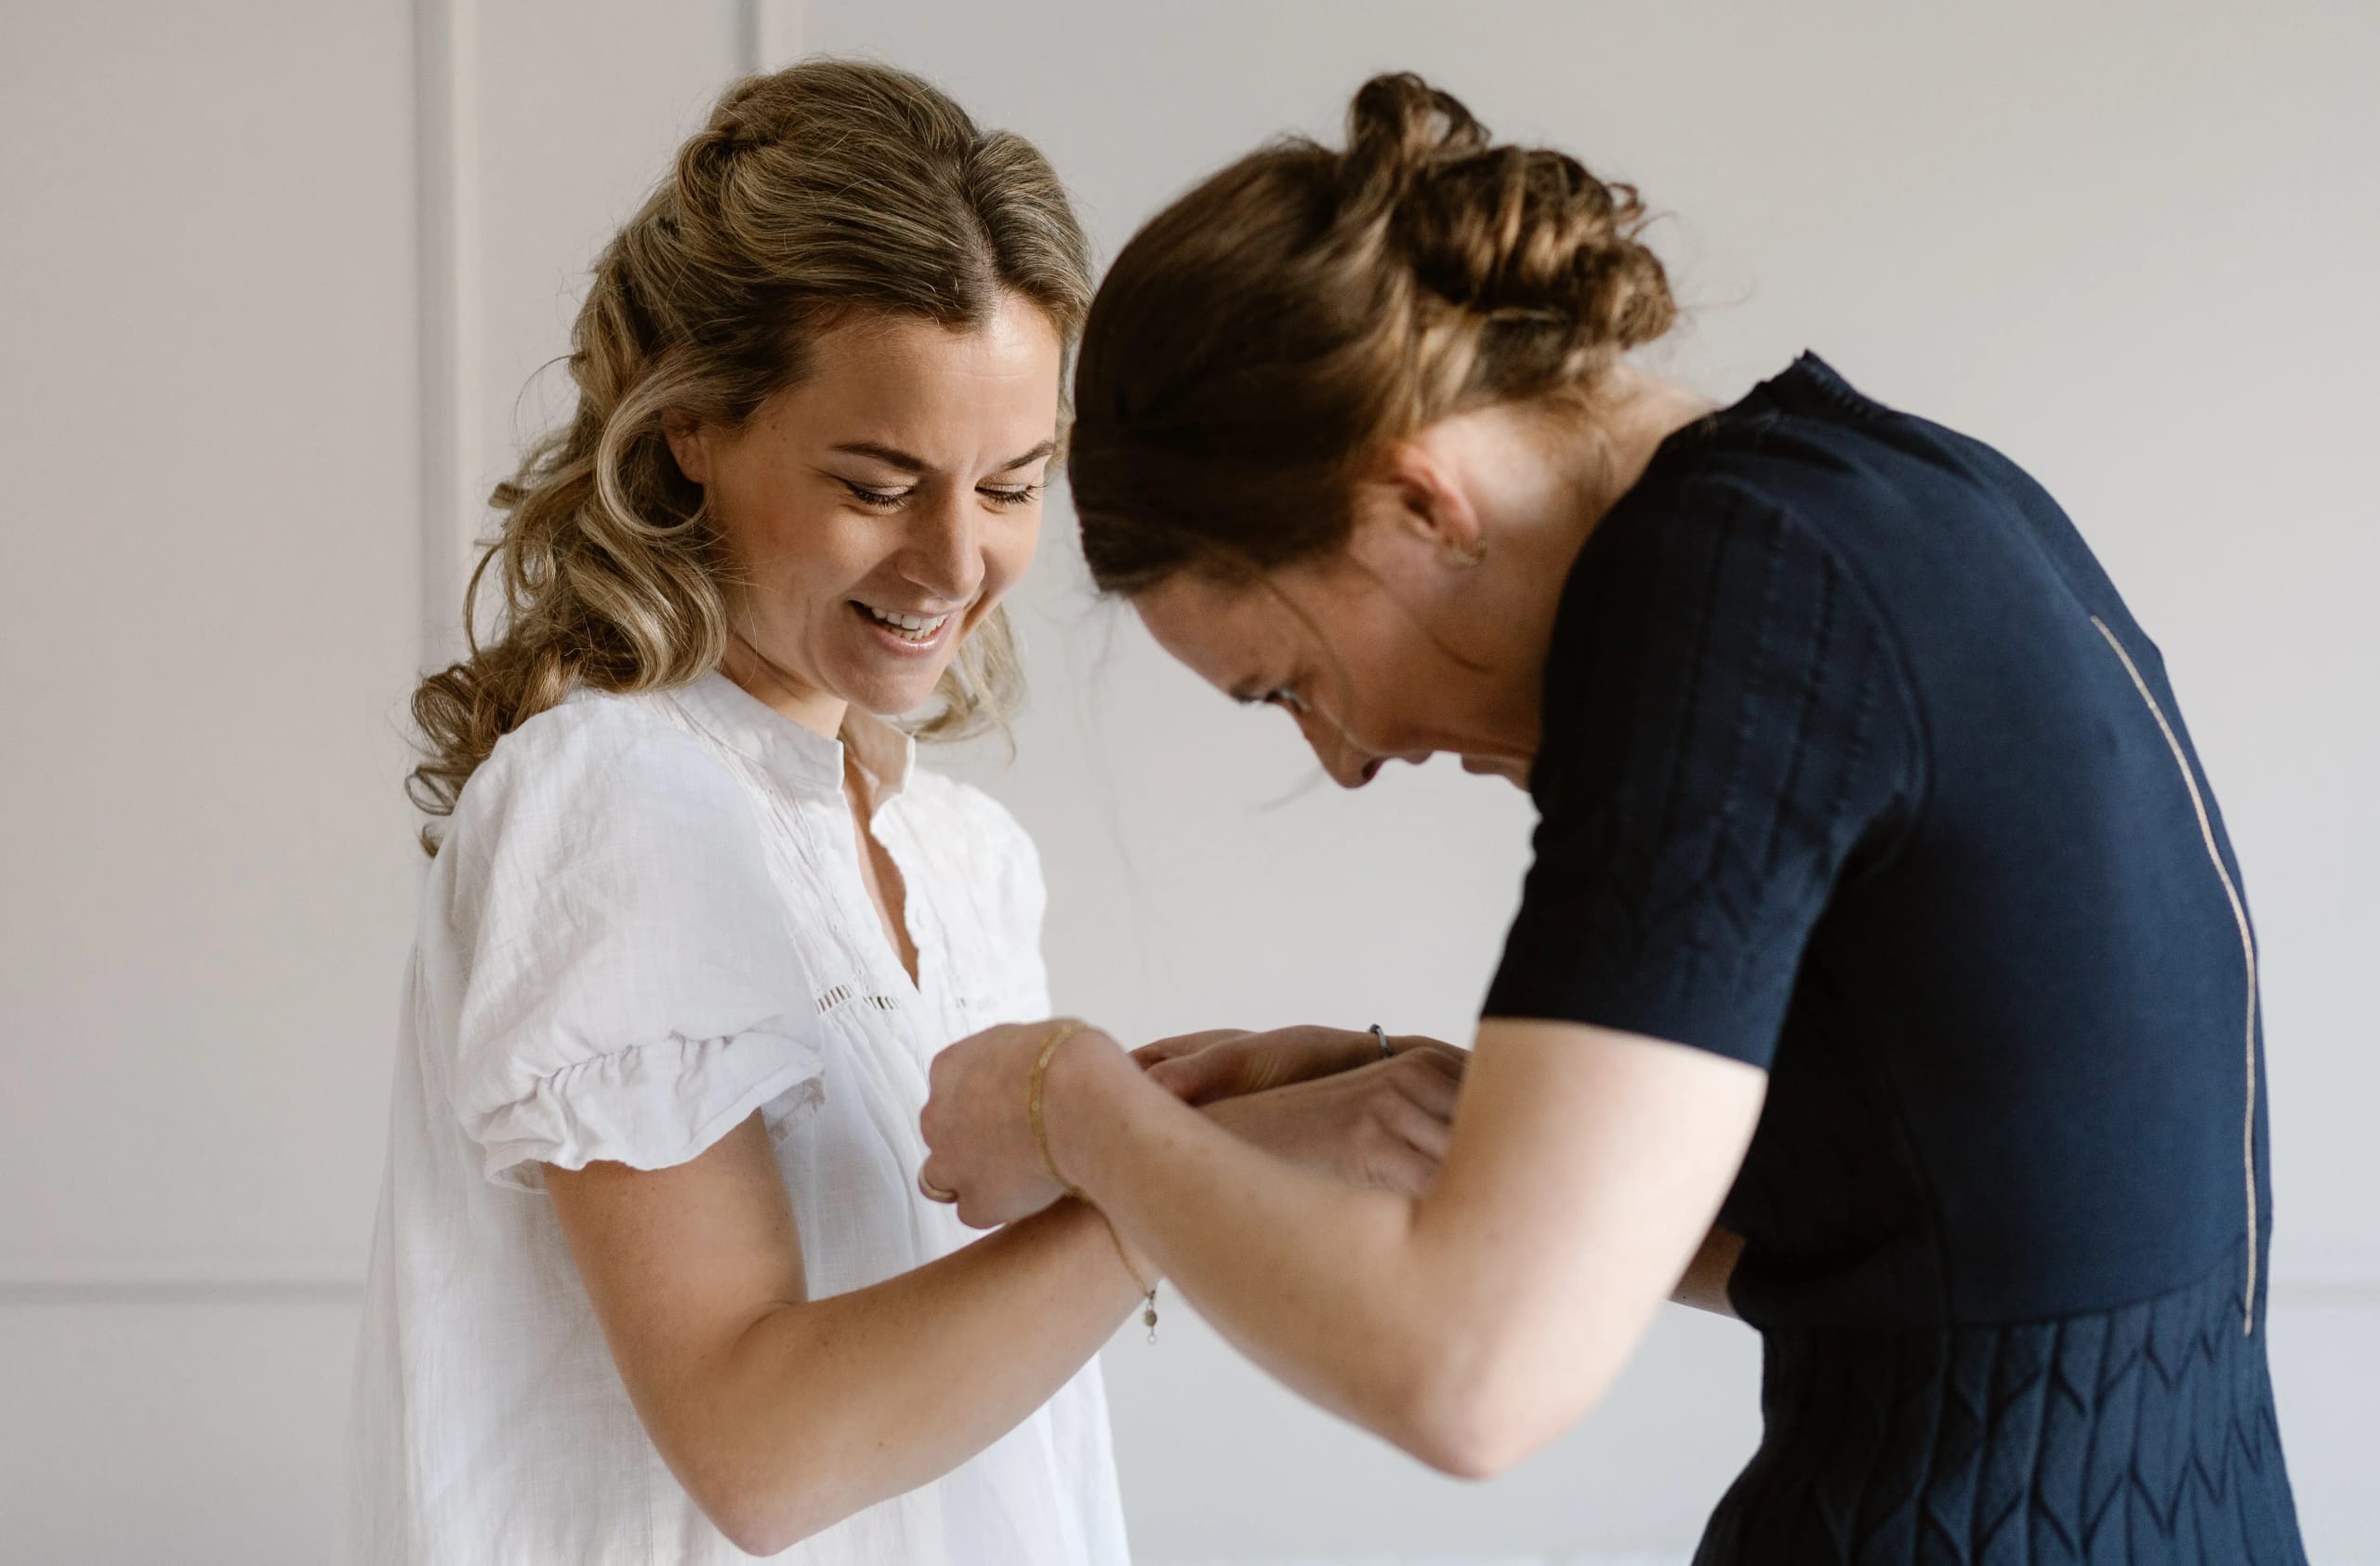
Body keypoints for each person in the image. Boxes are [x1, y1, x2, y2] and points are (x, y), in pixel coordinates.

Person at [919, 73, 2308, 1563]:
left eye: (1294, 684)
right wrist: (1467, 1129)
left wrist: (1077, 1105)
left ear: (1418, 505)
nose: (1346, 757)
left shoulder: (1722, 599)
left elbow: (1469, 1375)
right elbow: (1969, 1244)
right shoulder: (1905, 495)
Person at [338, 60, 1461, 1566]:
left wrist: (1222, 1125)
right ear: (693, 424)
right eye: (878, 481)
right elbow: (766, 1454)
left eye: (1011, 485)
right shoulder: (615, 792)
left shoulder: (967, 859)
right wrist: (1188, 1171)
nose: (950, 563)